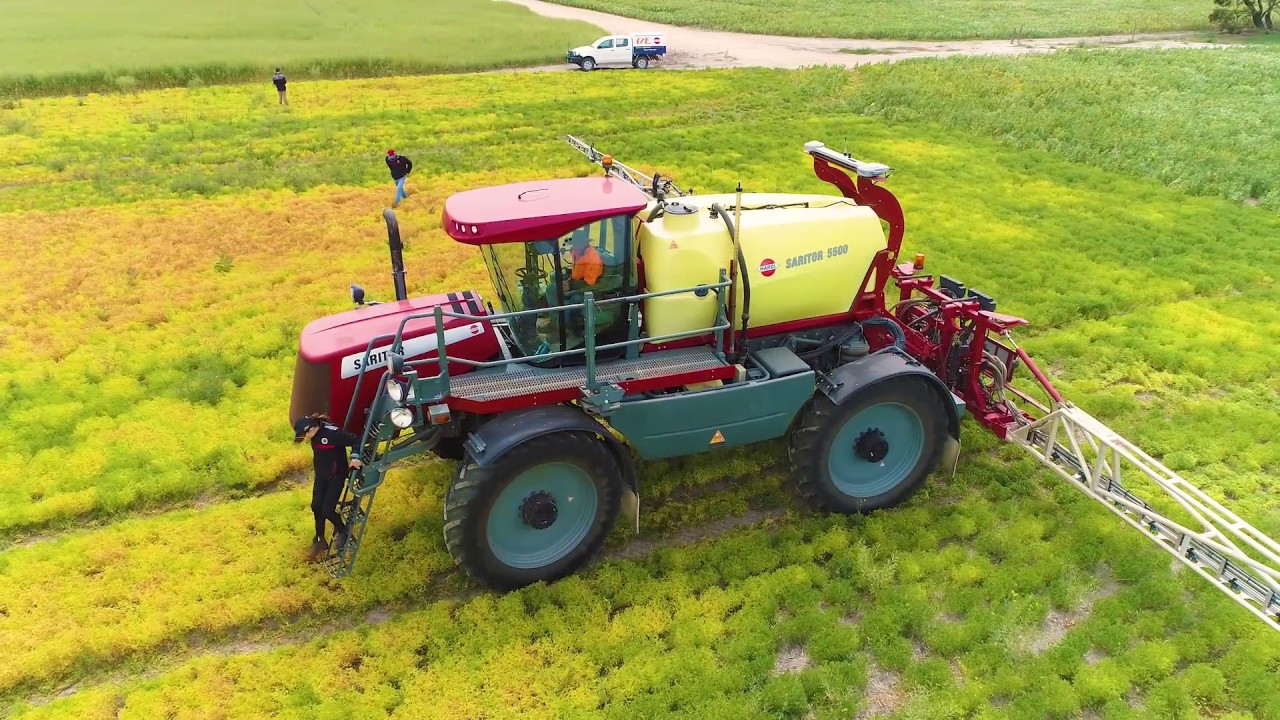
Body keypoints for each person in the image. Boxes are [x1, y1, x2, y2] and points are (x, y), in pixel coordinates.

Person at [293, 414, 363, 562]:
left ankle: (343, 531)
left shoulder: (332, 434)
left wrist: (355, 457)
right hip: (321, 475)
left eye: (304, 435)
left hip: (336, 476)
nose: (304, 439)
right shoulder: (314, 436)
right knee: (316, 506)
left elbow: (355, 439)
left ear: (311, 429)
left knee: (328, 510)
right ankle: (319, 539)